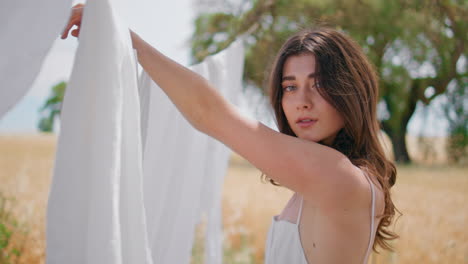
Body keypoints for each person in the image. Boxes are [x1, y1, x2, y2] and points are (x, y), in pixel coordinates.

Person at [62, 3, 399, 264]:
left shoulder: (337, 176)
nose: (302, 103)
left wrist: (129, 41)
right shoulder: (329, 176)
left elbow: (208, 113)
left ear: (351, 91)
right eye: (290, 87)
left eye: (319, 84)